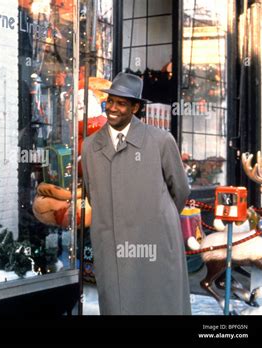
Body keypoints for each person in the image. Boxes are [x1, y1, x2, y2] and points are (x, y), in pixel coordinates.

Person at [81, 72, 191, 315]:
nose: (113, 108)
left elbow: (180, 190)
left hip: (156, 242)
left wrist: (156, 218)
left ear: (136, 107)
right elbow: (92, 193)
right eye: (110, 101)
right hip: (110, 243)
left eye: (121, 103)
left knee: (160, 303)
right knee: (118, 304)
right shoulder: (90, 146)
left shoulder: (161, 141)